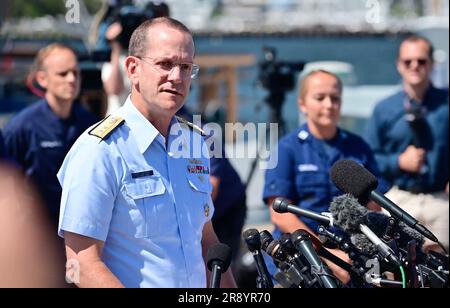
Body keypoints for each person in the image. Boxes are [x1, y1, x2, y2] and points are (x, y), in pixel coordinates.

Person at [57, 17, 236, 288]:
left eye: (185, 67)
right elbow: (81, 262)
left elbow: (206, 241)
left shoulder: (195, 144)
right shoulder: (99, 150)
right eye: (165, 64)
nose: (176, 77)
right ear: (133, 68)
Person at [263, 70, 390, 284]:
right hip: (299, 256)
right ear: (302, 104)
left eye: (335, 98)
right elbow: (279, 215)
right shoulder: (286, 149)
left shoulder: (358, 148)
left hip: (352, 256)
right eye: (320, 98)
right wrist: (326, 258)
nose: (329, 104)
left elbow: (373, 206)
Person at [364, 35, 449, 253]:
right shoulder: (384, 109)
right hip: (399, 197)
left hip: (441, 198)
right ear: (399, 65)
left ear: (431, 64)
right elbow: (368, 158)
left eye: (421, 61)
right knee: (394, 263)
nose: (414, 66)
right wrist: (398, 161)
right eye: (408, 61)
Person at [2, 43, 98, 226]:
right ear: (42, 79)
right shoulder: (21, 128)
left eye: (76, 73)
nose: (71, 79)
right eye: (63, 74)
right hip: (36, 234)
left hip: (80, 229)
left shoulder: (90, 125)